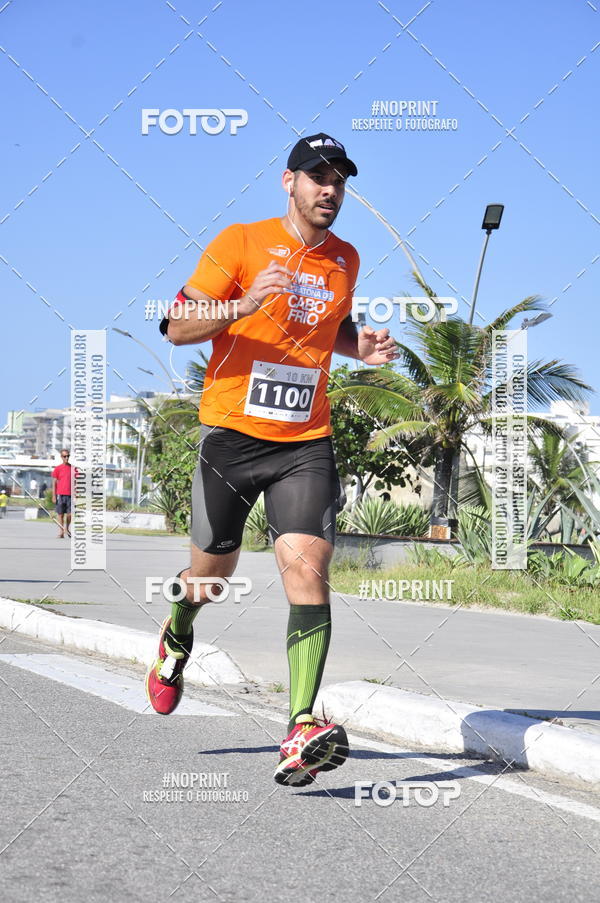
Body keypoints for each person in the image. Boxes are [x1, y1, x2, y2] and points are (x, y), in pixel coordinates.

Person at [146, 133, 399, 787]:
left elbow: (327, 329)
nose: (330, 189)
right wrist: (244, 303)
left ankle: (299, 726)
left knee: (307, 567)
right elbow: (176, 326)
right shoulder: (239, 242)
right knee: (211, 577)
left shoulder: (345, 258)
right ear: (288, 181)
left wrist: (358, 344)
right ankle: (177, 633)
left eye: (340, 178)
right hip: (230, 437)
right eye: (318, 176)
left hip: (304, 442)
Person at [52, 450, 75, 538]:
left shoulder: (73, 469)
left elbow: (76, 482)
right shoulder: (58, 468)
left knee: (70, 514)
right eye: (64, 456)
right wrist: (54, 495)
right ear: (61, 457)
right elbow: (54, 483)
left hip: (70, 495)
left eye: (68, 456)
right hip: (60, 495)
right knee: (60, 514)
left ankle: (67, 528)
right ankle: (61, 531)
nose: (67, 458)